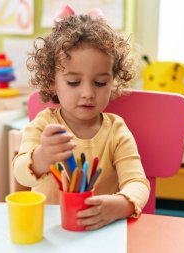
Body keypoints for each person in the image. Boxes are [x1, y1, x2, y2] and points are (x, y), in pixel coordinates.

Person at [13, 6, 150, 231]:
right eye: (74, 82)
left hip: (100, 231)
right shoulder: (44, 124)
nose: (87, 93)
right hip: (48, 232)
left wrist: (121, 204)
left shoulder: (116, 131)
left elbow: (137, 183)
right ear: (51, 81)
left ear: (113, 81)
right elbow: (21, 173)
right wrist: (41, 157)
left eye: (100, 83)